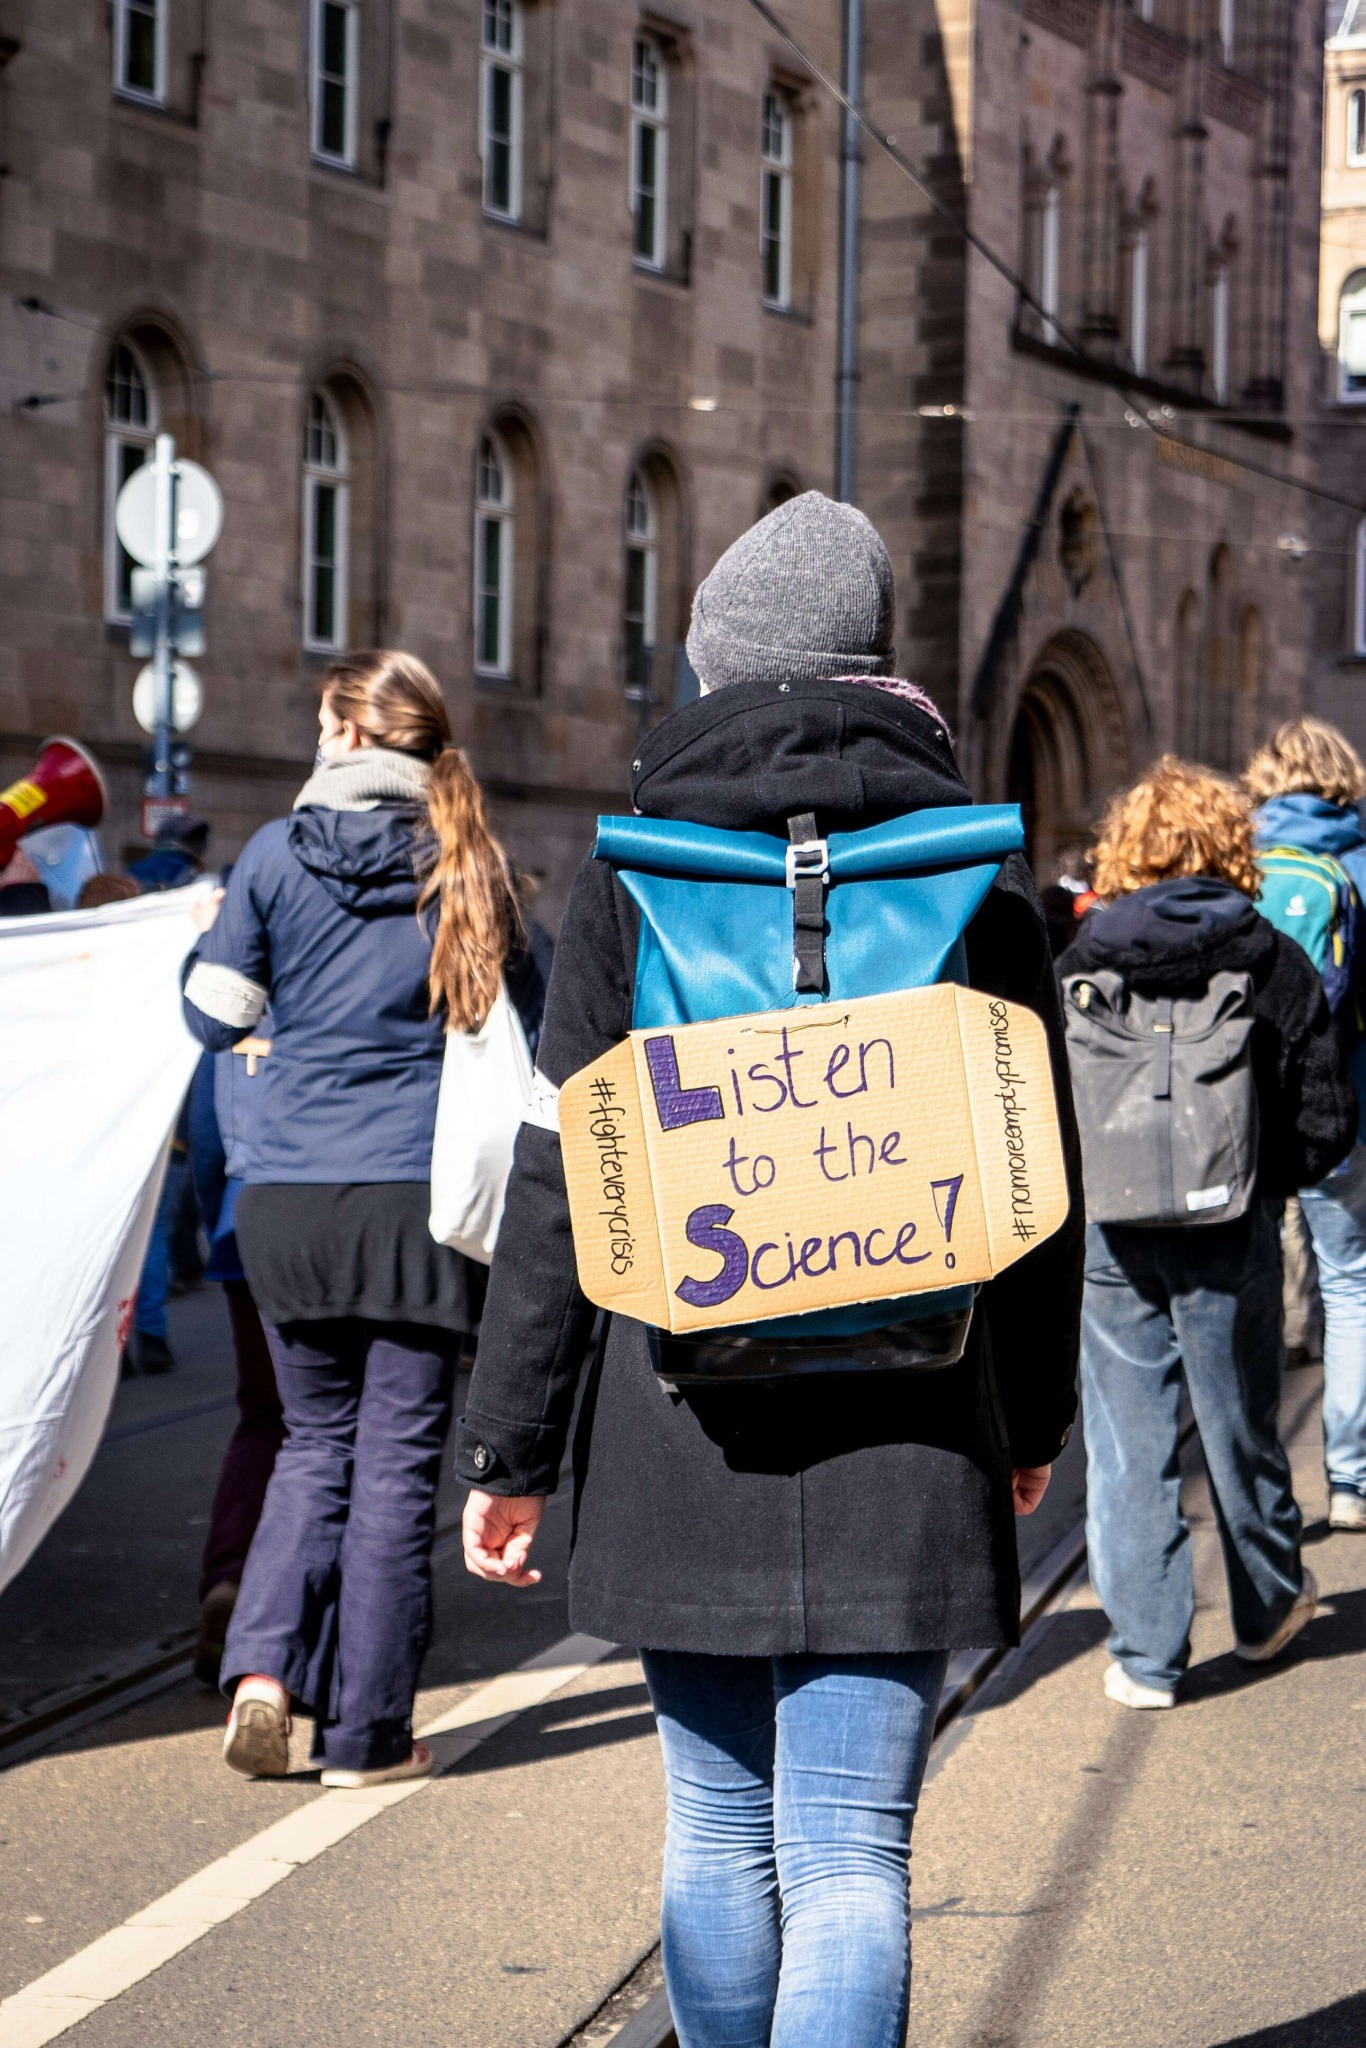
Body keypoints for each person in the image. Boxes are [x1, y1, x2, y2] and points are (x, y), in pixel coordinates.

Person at [459, 493, 1084, 2048]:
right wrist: (1033, 1424)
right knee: (852, 1849)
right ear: (878, 666)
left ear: (712, 664)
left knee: (719, 1832)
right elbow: (1037, 1189)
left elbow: (557, 1180)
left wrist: (510, 1449)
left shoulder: (631, 868)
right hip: (917, 1401)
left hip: (685, 1403)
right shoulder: (972, 874)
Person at [182, 650, 545, 1788]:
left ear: (345, 732)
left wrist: (209, 939)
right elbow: (523, 1040)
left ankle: (259, 1674)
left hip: (285, 1199)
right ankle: (367, 1734)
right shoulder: (467, 860)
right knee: (394, 1470)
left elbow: (216, 1014)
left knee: (308, 1444)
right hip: (414, 1206)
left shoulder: (274, 854)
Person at [1059, 758, 1356, 1710]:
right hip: (1232, 1223)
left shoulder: (1083, 956)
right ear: (1233, 845)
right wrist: (1277, 1187)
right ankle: (1267, 1609)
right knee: (1240, 1426)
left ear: (1126, 849)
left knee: (1125, 1442)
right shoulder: (1268, 952)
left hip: (1112, 1228)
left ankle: (1147, 1656)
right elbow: (1320, 1111)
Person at [1246, 717, 1366, 1528]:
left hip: (1245, 1111)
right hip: (1345, 1111)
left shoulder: (1240, 862)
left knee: (1249, 1287)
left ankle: (1258, 1494)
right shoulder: (1359, 864)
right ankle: (1351, 1479)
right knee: (1352, 1285)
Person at [185, 1038, 286, 1686]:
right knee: (345, 1431)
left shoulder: (237, 1002)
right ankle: (304, 1610)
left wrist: (214, 1218)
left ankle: (228, 1575)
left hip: (242, 1227)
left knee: (262, 1416)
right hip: (357, 1215)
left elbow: (204, 1136)